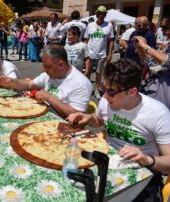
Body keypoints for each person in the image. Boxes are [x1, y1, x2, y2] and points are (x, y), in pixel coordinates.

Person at [67, 59, 170, 201]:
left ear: (132, 91)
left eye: (111, 91)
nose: (104, 96)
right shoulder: (106, 101)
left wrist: (147, 159)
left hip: (144, 172)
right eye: (103, 89)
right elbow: (99, 121)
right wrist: (88, 118)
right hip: (107, 161)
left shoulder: (158, 114)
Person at [0, 44, 93, 119]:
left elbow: (76, 115)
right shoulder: (50, 75)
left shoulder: (81, 83)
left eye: (47, 66)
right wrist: (11, 82)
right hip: (44, 115)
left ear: (61, 64)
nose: (44, 70)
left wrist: (50, 98)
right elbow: (29, 84)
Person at [134, 29, 170, 108]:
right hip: (157, 88)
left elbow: (167, 60)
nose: (165, 31)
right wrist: (140, 49)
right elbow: (152, 63)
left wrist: (145, 46)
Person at [84, 5, 114, 100]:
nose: (101, 15)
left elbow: (111, 41)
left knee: (98, 73)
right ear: (96, 14)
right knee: (87, 72)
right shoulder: (90, 25)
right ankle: (86, 89)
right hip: (90, 53)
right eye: (99, 13)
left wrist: (110, 54)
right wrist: (85, 52)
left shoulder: (109, 25)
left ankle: (96, 90)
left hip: (102, 54)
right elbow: (86, 40)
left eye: (103, 14)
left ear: (105, 15)